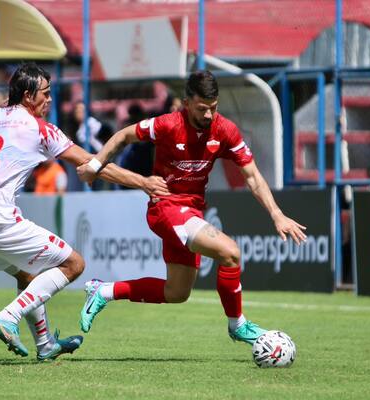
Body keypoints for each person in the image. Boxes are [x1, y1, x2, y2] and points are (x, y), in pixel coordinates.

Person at [0, 63, 169, 361]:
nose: (50, 100)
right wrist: (143, 181)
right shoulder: (39, 129)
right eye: (45, 93)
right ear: (28, 96)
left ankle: (45, 345)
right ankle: (7, 317)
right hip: (0, 218)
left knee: (28, 276)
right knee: (74, 264)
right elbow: (91, 163)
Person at [76, 70, 307, 348]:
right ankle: (238, 325)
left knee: (176, 292)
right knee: (230, 252)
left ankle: (103, 290)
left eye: (213, 108)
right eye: (202, 108)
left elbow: (253, 177)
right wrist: (95, 164)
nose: (209, 115)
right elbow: (124, 136)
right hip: (166, 207)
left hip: (192, 211)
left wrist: (277, 214)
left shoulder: (225, 130)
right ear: (187, 103)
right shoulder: (167, 125)